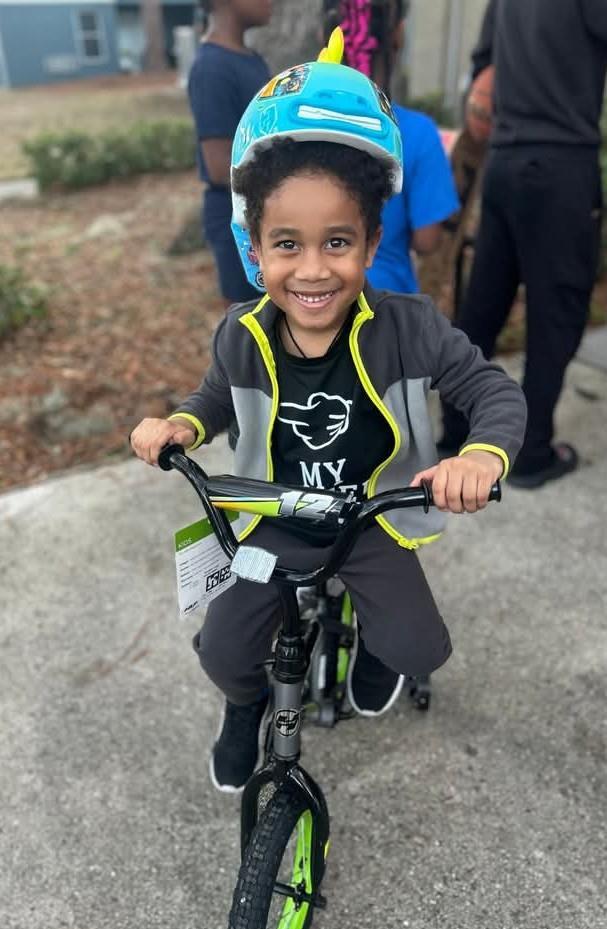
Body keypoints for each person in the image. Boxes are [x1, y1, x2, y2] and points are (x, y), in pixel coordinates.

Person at [131, 31, 526, 792]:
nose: (312, 270)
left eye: (337, 242)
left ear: (372, 240)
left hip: (370, 513)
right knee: (223, 651)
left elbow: (491, 392)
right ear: (255, 248)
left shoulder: (410, 327)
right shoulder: (241, 333)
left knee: (419, 645)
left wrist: (480, 455)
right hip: (274, 514)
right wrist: (182, 423)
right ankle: (243, 709)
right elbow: (217, 394)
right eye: (287, 244)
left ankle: (376, 646)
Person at [440, 0, 606, 489]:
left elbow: (483, 71)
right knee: (557, 313)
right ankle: (531, 453)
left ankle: (455, 429)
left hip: (506, 162)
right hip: (561, 162)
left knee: (482, 307)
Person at [322, 0, 460, 294]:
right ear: (398, 35)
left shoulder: (299, 126)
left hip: (310, 302)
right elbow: (427, 240)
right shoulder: (417, 133)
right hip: (388, 309)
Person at [188, 0, 272, 308]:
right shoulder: (211, 67)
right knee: (250, 335)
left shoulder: (253, 61)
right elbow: (220, 167)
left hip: (265, 213)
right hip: (237, 221)